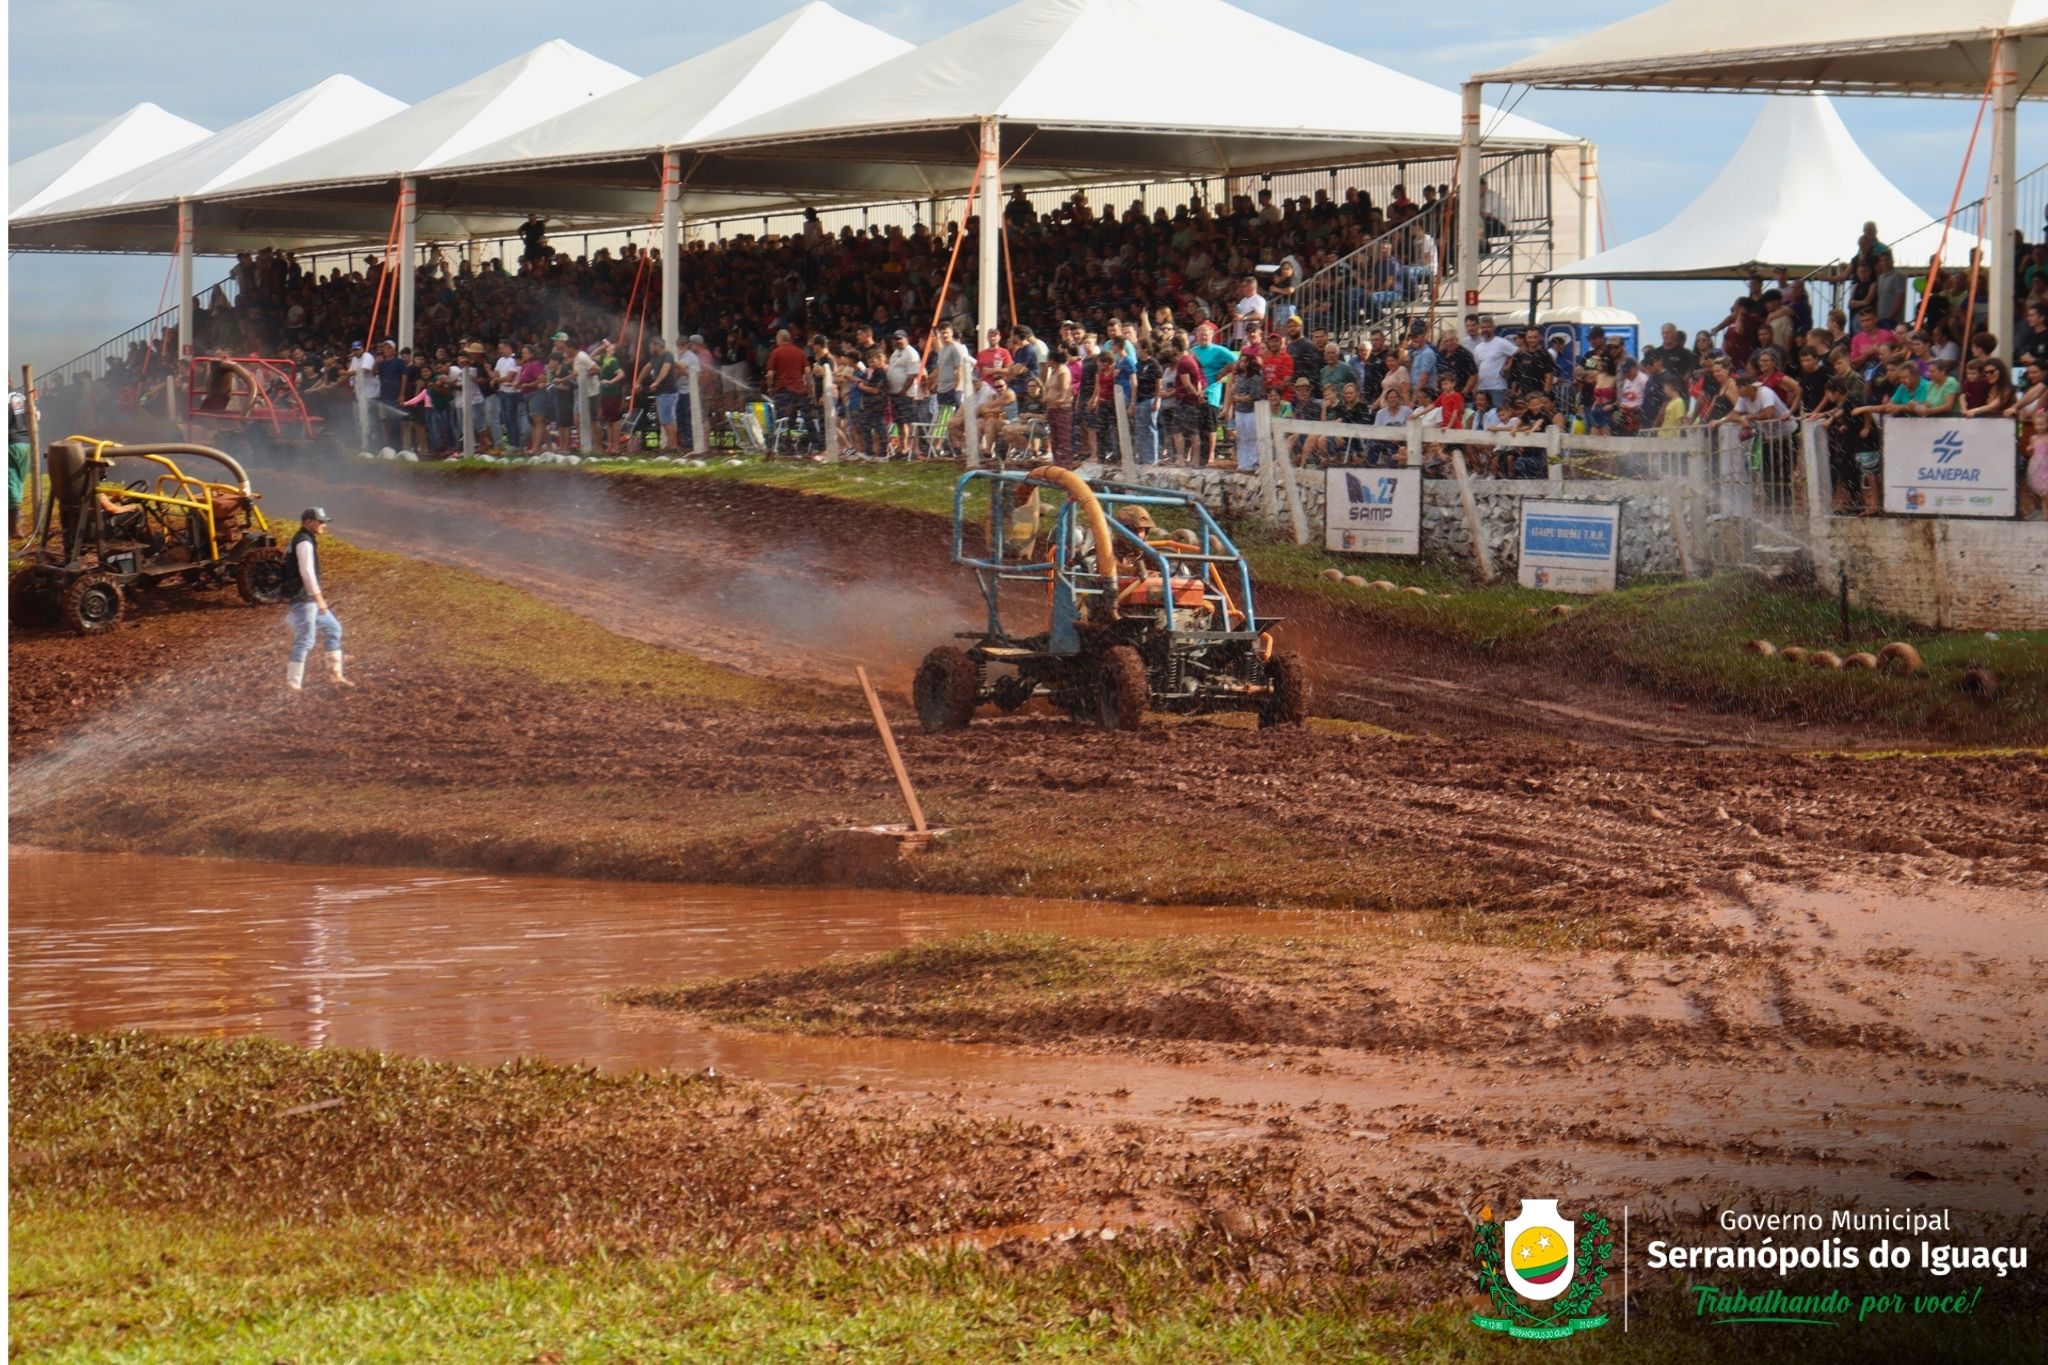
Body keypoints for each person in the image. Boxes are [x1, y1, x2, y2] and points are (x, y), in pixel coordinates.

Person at [281, 507, 352, 692]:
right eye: (320, 522)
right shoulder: (304, 542)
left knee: (333, 629)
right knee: (305, 640)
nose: (324, 525)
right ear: (308, 522)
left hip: (307, 598)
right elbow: (307, 572)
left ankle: (336, 676)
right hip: (304, 599)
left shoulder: (302, 539)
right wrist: (319, 598)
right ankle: (293, 684)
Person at [9, 381, 33, 537]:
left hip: (9, 444)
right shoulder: (22, 396)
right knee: (18, 482)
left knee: (11, 484)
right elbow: (36, 415)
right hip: (25, 443)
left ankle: (14, 529)